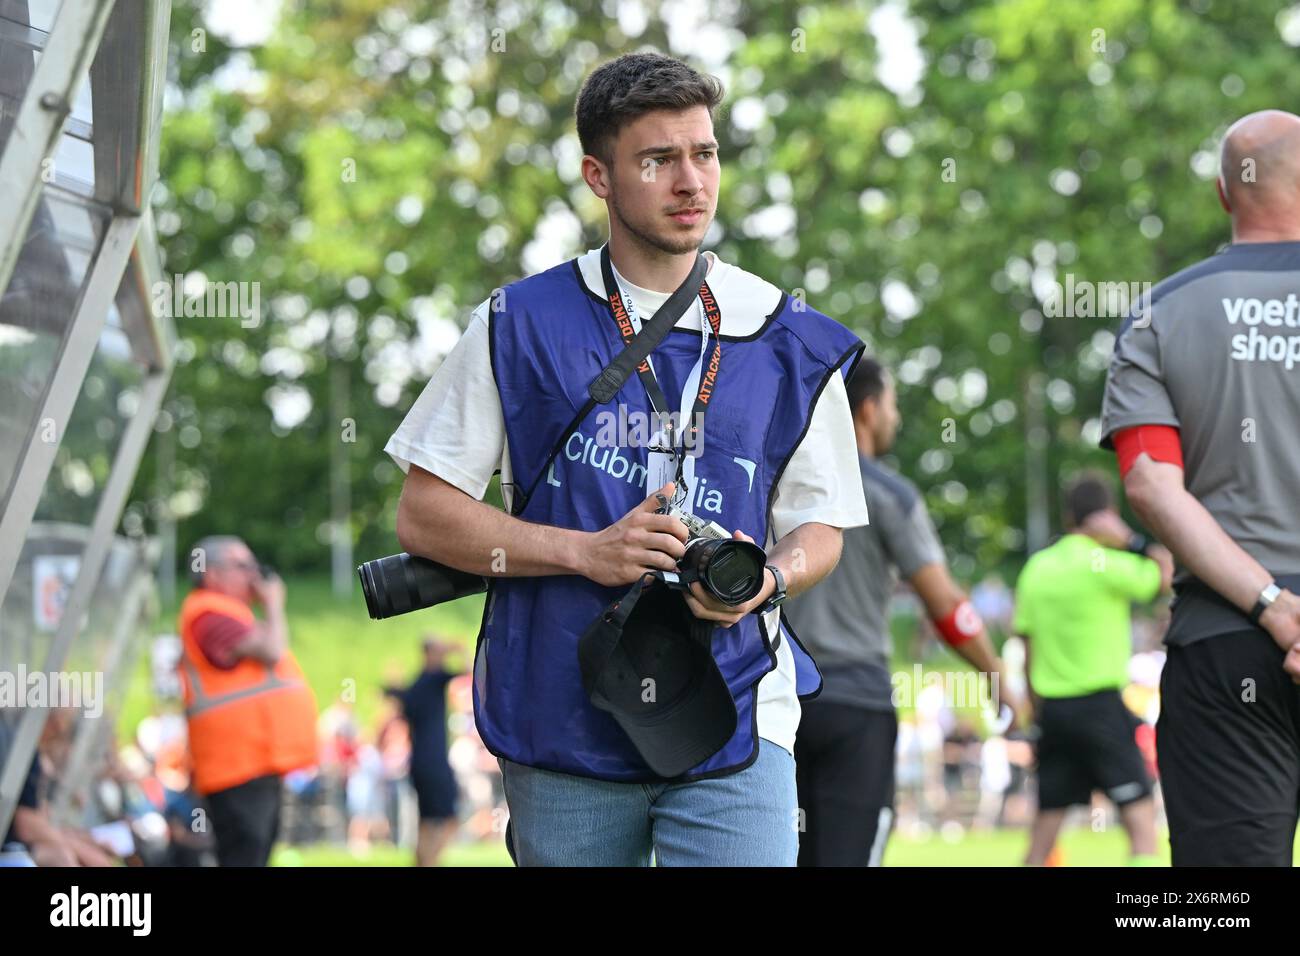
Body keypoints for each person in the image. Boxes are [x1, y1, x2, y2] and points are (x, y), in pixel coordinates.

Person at [386, 52, 868, 866]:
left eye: (704, 154)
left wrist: (766, 581)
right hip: (561, 708)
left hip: (738, 703)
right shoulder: (519, 322)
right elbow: (423, 513)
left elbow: (821, 524)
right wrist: (585, 552)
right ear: (599, 176)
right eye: (658, 160)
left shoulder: (785, 335)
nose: (692, 182)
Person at [1100, 109, 1300, 866]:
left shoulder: (1161, 314)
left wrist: (1274, 607)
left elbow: (1151, 486)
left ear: (1225, 195)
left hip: (1227, 644)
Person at [782, 358, 1019, 866]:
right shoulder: (889, 494)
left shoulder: (780, 483)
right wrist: (998, 678)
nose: (897, 418)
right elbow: (947, 606)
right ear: (867, 410)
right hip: (856, 705)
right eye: (892, 405)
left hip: (782, 703)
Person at [1013, 474, 1172, 866]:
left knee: (1042, 839)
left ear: (1069, 516)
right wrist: (1132, 541)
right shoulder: (1107, 564)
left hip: (1053, 712)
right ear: (1108, 514)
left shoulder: (1037, 568)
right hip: (1101, 708)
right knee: (1140, 826)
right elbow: (1166, 574)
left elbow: (1028, 650)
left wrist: (1037, 713)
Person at [177, 535, 318, 866]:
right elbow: (272, 650)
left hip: (253, 762)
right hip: (235, 765)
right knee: (245, 855)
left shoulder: (230, 613)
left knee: (256, 853)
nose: (255, 576)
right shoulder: (207, 613)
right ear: (212, 574)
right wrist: (272, 603)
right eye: (244, 567)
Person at [385, 638, 460, 866]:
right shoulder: (435, 680)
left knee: (426, 822)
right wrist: (455, 648)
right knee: (449, 820)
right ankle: (430, 863)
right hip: (435, 763)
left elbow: (398, 700)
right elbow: (470, 668)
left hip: (418, 764)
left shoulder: (415, 686)